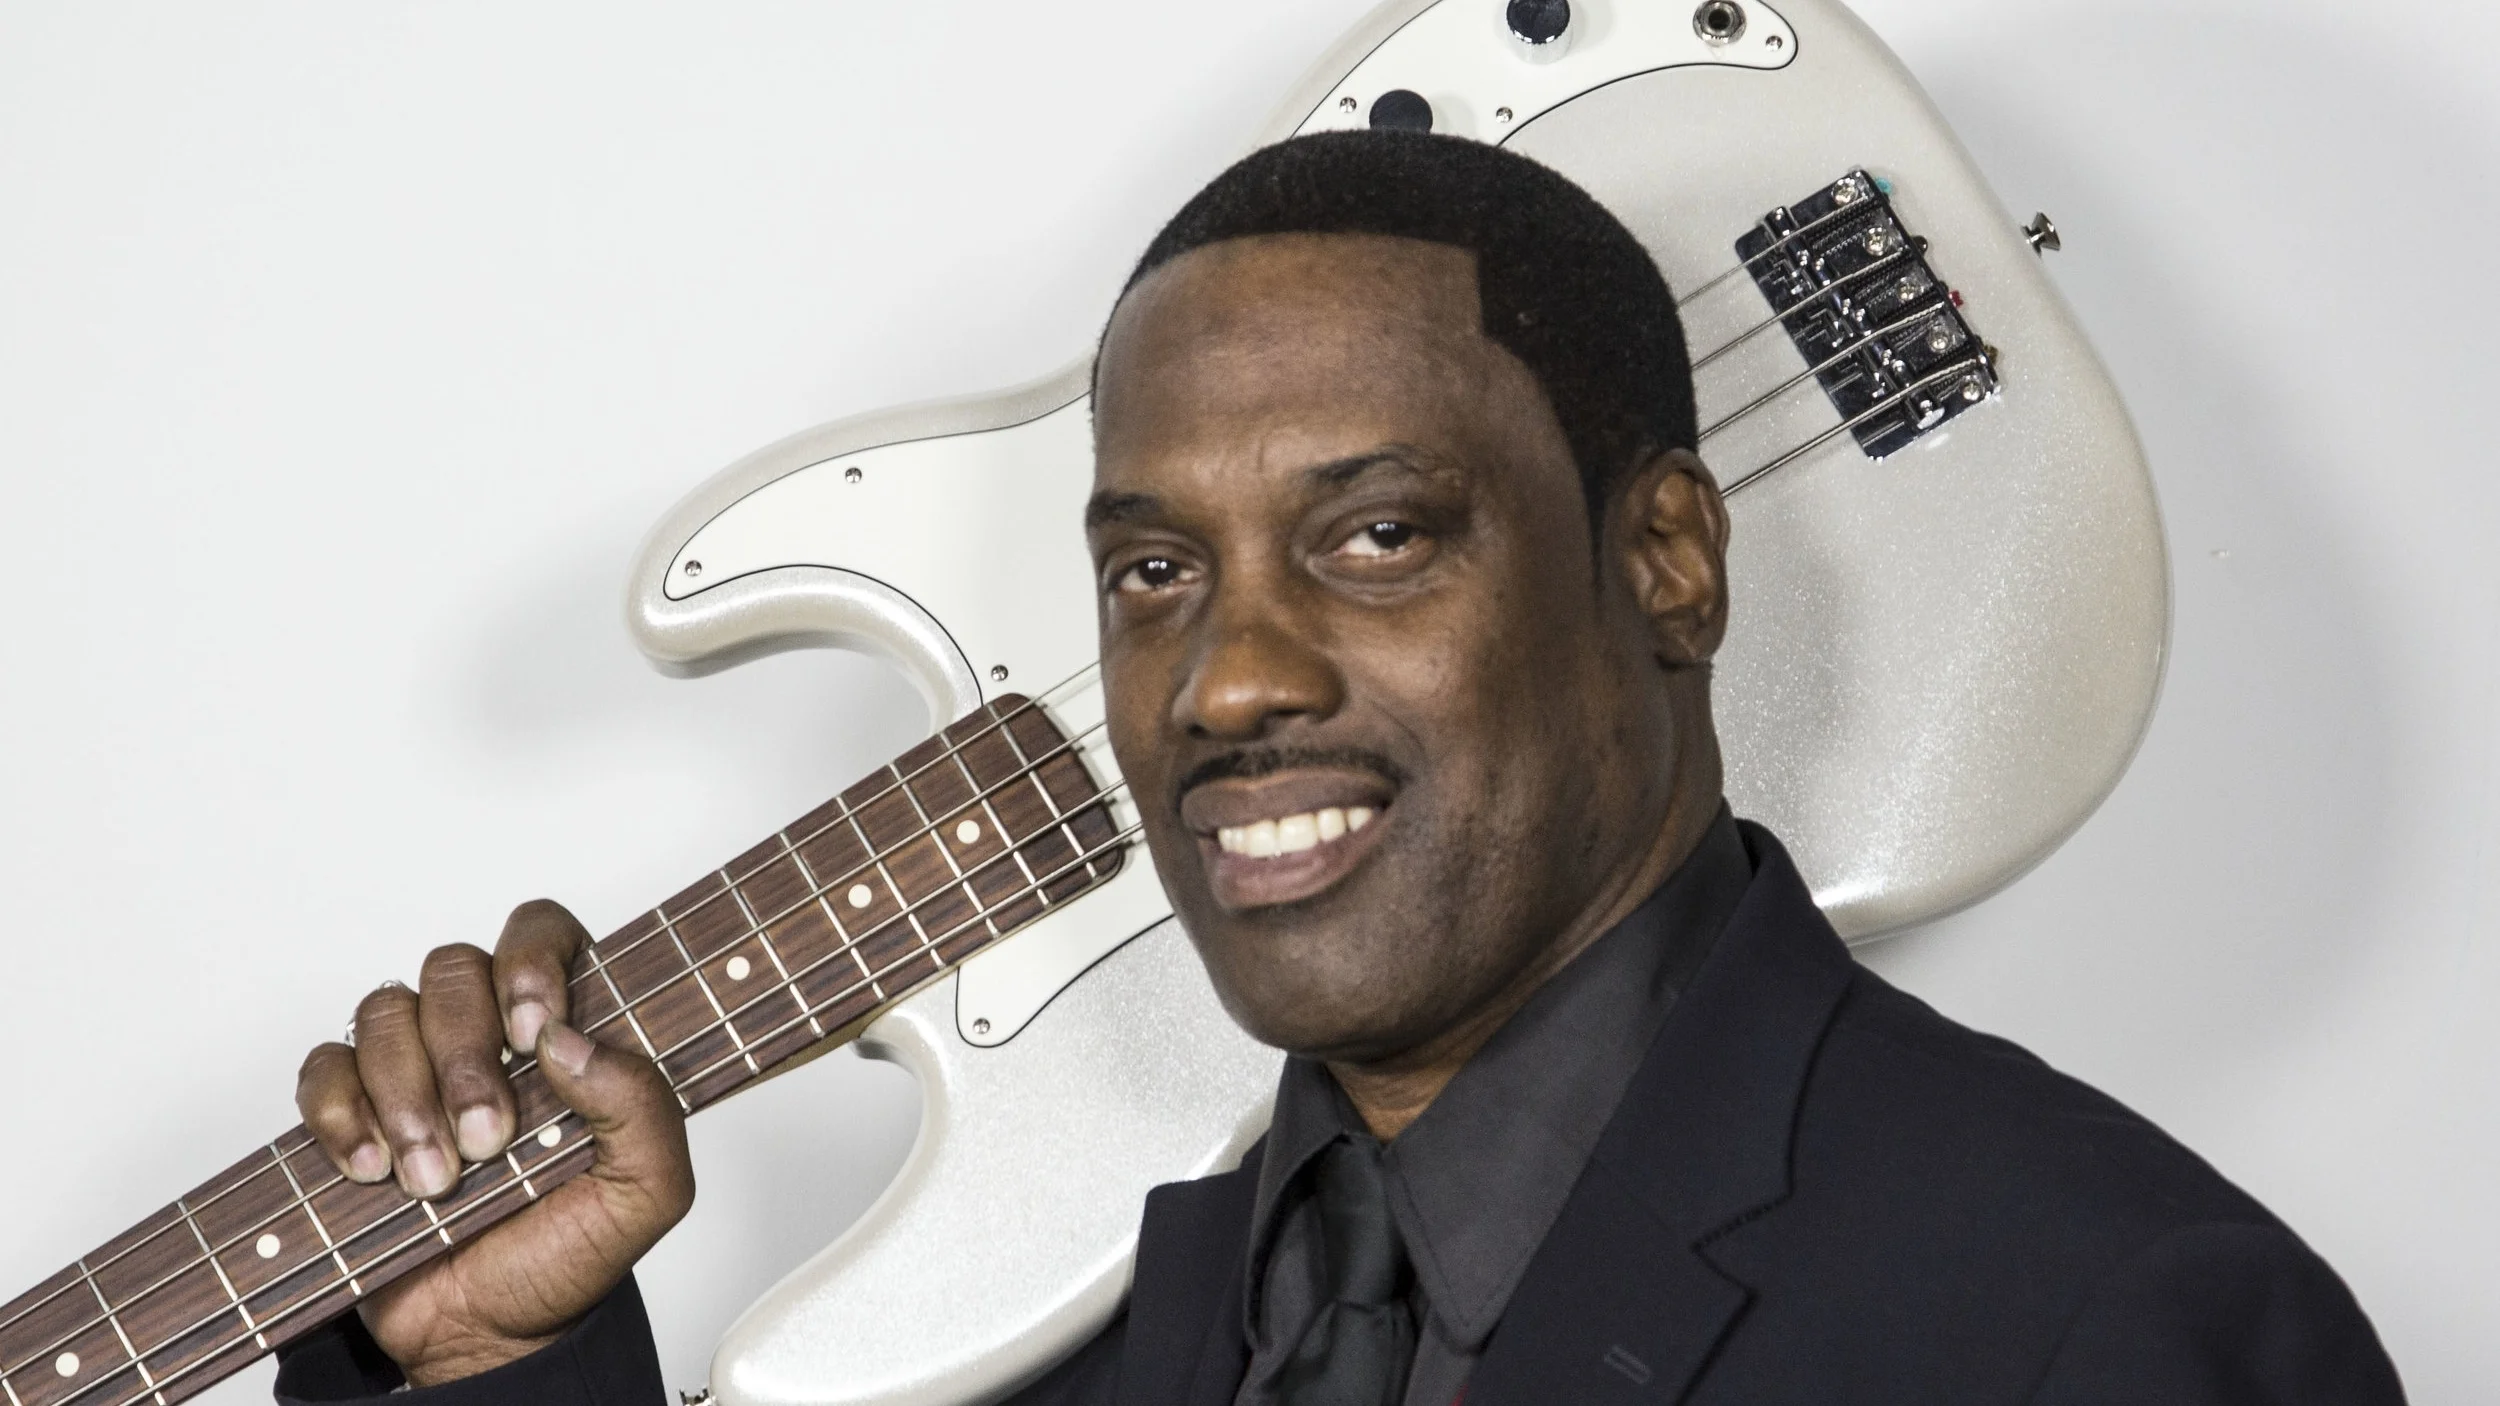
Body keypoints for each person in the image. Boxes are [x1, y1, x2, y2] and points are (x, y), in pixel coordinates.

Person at [276, 132, 2404, 1406]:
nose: (1223, 680)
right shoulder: (1120, 1346)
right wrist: (493, 1367)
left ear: (1665, 560)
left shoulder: (2108, 1323)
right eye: (1151, 570)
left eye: (1376, 533)